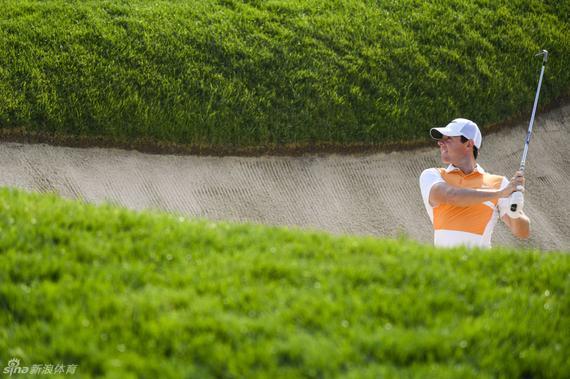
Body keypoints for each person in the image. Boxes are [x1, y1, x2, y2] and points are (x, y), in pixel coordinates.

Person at [419, 118, 530, 248]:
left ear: (468, 144)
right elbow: (451, 196)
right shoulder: (433, 175)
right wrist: (499, 193)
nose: (440, 143)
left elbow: (523, 232)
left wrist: (515, 210)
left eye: (448, 138)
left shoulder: (498, 183)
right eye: (441, 139)